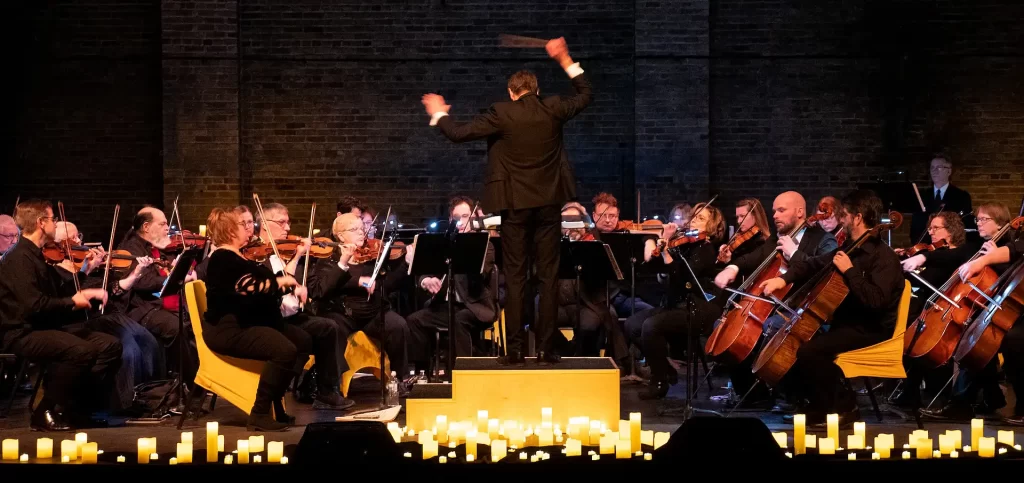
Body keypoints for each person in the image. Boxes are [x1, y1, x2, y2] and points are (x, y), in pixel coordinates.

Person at [421, 37, 592, 364]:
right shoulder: (552, 107)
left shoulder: (502, 112)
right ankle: (547, 350)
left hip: (514, 206)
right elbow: (586, 94)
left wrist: (439, 113)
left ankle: (513, 352)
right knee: (549, 276)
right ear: (536, 90)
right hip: (548, 204)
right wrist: (565, 58)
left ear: (512, 92)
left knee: (515, 277)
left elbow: (458, 133)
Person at [759, 190, 904, 426]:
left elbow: (877, 301)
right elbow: (814, 265)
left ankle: (846, 407)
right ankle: (820, 406)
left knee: (810, 352)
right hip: (846, 324)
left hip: (870, 328)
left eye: (845, 215)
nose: (842, 221)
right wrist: (782, 280)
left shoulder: (883, 257)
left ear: (857, 218)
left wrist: (850, 271)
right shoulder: (849, 247)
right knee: (796, 344)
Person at [0, 200, 122, 430]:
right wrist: (71, 301)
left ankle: (75, 407)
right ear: (40, 222)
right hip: (22, 332)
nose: (56, 224)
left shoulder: (36, 255)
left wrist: (84, 285)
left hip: (44, 327)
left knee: (109, 345)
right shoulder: (18, 259)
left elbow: (57, 286)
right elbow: (32, 305)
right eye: (53, 219)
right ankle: (45, 410)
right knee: (80, 349)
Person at [201, 207, 312, 431]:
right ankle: (259, 413)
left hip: (246, 323)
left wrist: (288, 284)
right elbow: (248, 287)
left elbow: (265, 284)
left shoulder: (239, 256)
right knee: (284, 350)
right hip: (228, 329)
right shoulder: (222, 258)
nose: (250, 229)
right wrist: (281, 283)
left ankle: (276, 401)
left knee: (303, 341)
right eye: (244, 224)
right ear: (230, 230)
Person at [406, 196, 498, 365]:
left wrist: (467, 247)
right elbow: (425, 270)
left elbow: (481, 274)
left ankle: (463, 371)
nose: (461, 222)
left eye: (465, 216)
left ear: (473, 218)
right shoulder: (444, 243)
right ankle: (422, 371)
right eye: (456, 218)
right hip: (447, 307)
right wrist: (426, 279)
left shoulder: (485, 244)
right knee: (414, 320)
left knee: (459, 319)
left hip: (475, 307)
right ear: (450, 220)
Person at [909, 154, 973, 243]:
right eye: (932, 168)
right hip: (923, 244)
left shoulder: (961, 196)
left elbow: (963, 224)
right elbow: (915, 224)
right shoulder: (922, 195)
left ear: (949, 171)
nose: (934, 171)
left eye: (939, 167)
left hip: (949, 245)